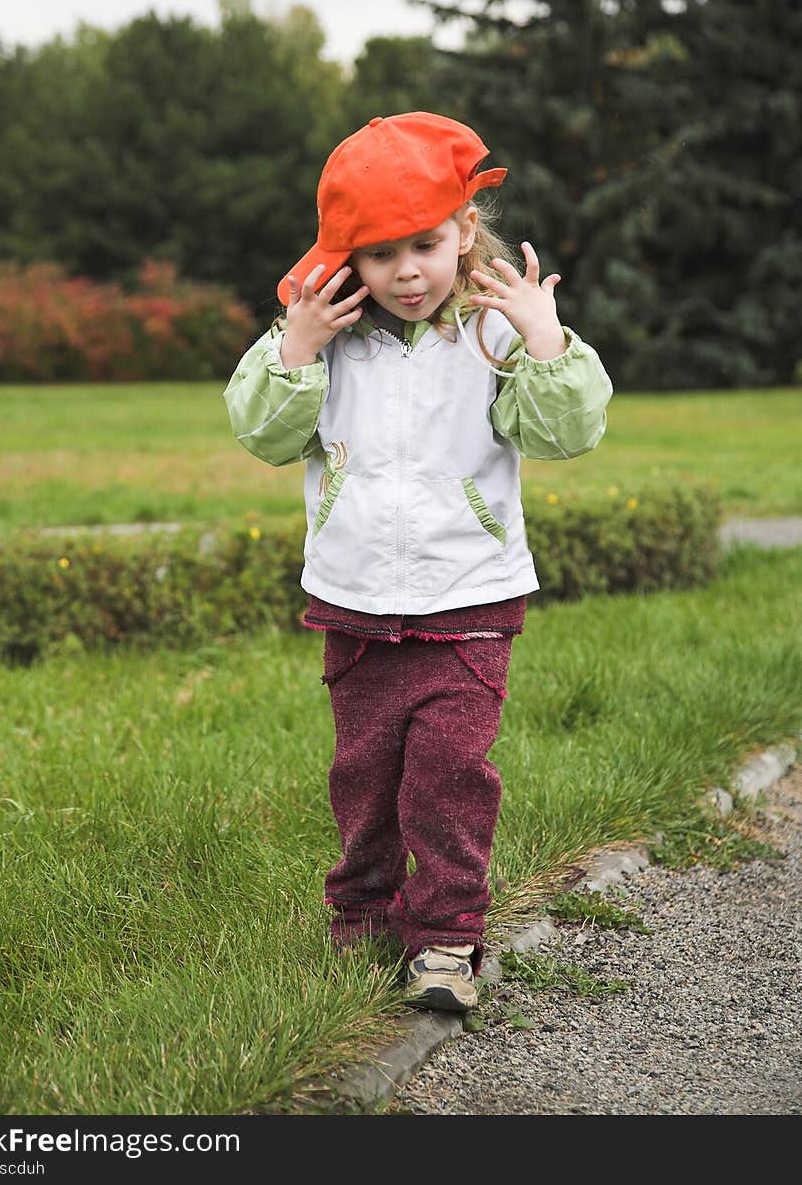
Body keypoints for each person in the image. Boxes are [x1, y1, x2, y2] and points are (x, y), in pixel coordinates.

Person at [224, 112, 612, 1013]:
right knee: (364, 771)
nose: (406, 272)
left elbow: (566, 434)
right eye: (378, 253)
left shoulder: (497, 332)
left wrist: (545, 340)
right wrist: (297, 348)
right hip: (354, 598)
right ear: (345, 260)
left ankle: (445, 938)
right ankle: (361, 912)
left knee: (446, 774)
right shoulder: (323, 337)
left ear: (465, 232)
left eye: (426, 245)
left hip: (468, 598)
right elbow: (263, 435)